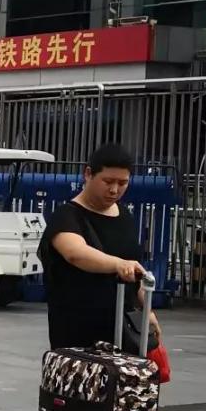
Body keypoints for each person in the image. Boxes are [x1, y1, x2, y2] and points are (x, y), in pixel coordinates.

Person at [40, 141, 161, 352]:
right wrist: (118, 264)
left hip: (123, 333)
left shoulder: (125, 217)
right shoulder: (66, 216)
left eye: (122, 183)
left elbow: (135, 270)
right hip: (77, 337)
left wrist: (147, 310)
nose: (114, 190)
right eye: (108, 181)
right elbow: (76, 253)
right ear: (88, 174)